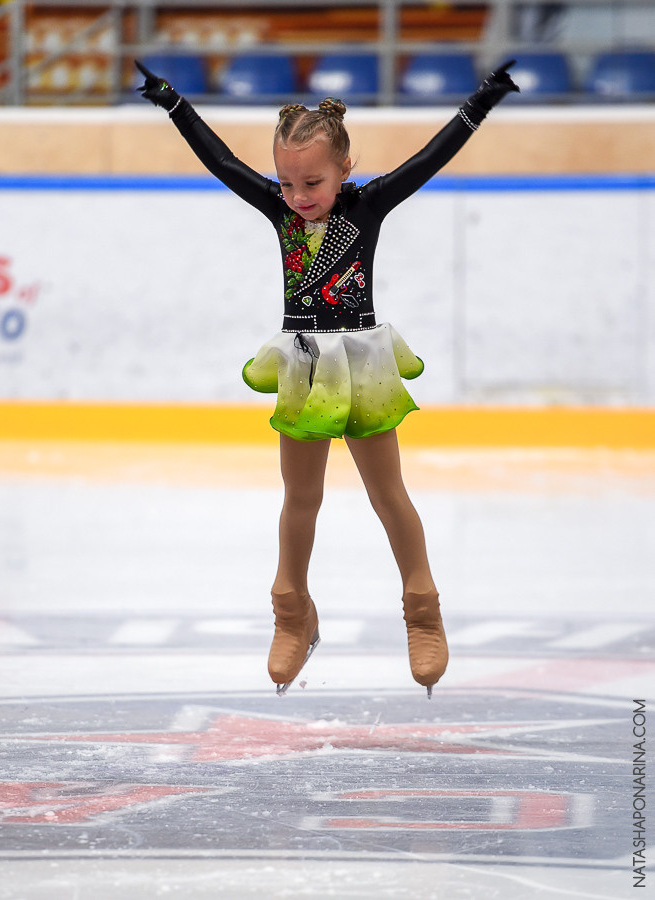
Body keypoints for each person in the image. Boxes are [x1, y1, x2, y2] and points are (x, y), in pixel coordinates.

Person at [135, 58, 519, 698]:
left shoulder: (368, 206)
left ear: (345, 170)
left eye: (312, 181)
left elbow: (430, 158)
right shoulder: (280, 211)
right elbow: (222, 162)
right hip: (307, 363)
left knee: (387, 494)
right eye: (286, 183)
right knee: (300, 500)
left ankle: (422, 607)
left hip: (363, 364)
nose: (297, 196)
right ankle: (293, 611)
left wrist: (482, 101)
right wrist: (174, 103)